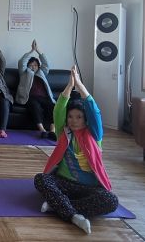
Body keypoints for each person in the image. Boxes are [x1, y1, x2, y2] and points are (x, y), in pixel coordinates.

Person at [34, 67, 119, 234]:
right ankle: (74, 216)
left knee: (111, 200)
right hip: (64, 183)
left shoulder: (94, 135)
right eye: (70, 117)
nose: (73, 121)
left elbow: (94, 110)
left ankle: (58, 206)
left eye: (79, 117)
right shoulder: (64, 133)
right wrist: (69, 86)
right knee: (41, 179)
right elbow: (59, 109)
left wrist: (79, 85)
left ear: (86, 120)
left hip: (89, 188)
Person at [16, 39, 57, 140]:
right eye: (31, 65)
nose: (33, 67)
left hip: (44, 97)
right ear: (28, 66)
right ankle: (42, 131)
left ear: (38, 66)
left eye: (35, 65)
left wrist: (38, 50)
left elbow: (46, 64)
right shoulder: (24, 72)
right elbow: (22, 62)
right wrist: (31, 51)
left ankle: (52, 131)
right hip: (31, 97)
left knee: (53, 107)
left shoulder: (42, 72)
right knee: (35, 107)